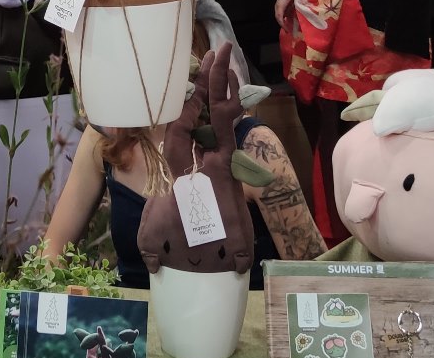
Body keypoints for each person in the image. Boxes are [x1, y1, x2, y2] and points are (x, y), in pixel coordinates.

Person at [41, 64, 327, 289]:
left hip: (238, 330)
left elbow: (314, 279)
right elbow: (51, 252)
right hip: (134, 333)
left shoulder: (255, 147)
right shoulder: (106, 138)